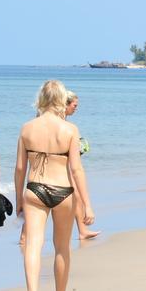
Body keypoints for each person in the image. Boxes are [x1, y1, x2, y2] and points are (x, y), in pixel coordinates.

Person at [14, 80, 94, 291]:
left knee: (33, 245)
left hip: (35, 189)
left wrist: (19, 197)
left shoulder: (27, 127)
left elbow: (20, 168)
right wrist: (87, 204)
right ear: (61, 99)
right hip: (63, 191)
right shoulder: (70, 129)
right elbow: (76, 169)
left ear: (41, 98)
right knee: (62, 247)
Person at [65, 91, 100, 240]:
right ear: (65, 104)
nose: (76, 108)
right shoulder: (65, 124)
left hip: (64, 164)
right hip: (60, 168)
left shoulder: (64, 122)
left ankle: (82, 230)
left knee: (77, 196)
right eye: (74, 105)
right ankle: (24, 236)